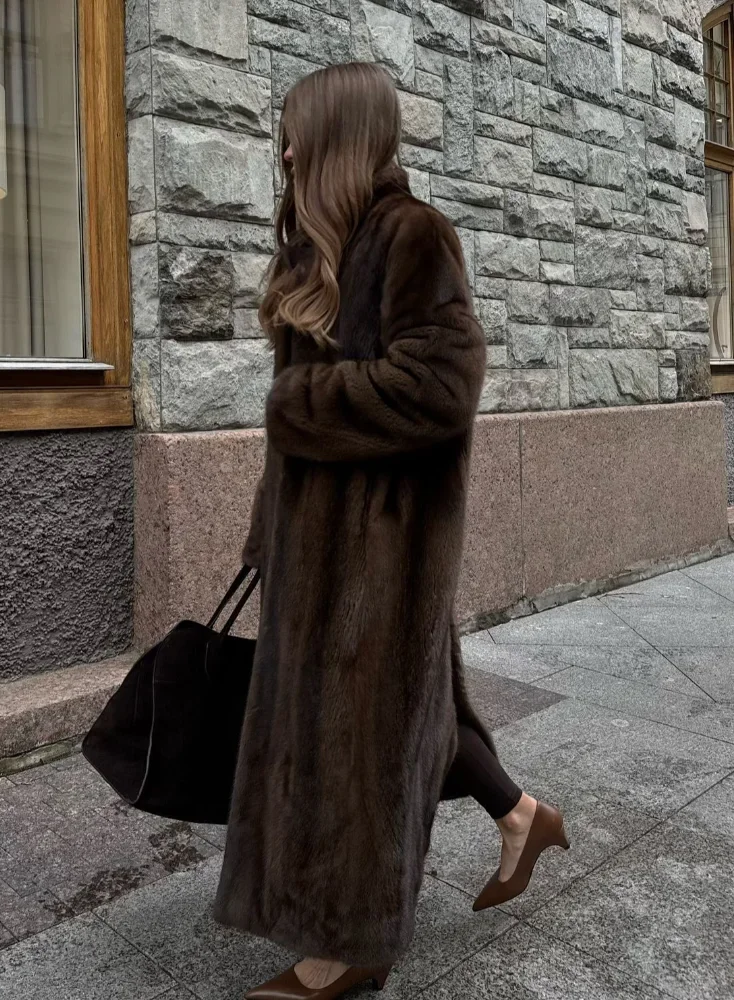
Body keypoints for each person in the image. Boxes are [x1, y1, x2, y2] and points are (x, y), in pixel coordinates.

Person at [213, 61, 569, 1000]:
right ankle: (522, 816)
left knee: (361, 740)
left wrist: (304, 398)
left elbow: (443, 385)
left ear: (335, 138)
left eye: (294, 133)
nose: (282, 151)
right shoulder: (316, 251)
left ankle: (346, 948)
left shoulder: (415, 236)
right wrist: (267, 534)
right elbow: (297, 451)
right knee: (417, 711)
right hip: (317, 549)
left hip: (382, 546)